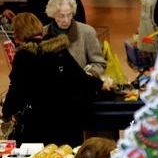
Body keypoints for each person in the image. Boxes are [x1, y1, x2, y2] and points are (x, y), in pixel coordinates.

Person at [1, 13, 101, 146]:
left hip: (38, 130)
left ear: (18, 36)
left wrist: (6, 111)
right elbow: (82, 80)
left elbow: (16, 92)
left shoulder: (24, 57)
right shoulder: (59, 50)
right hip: (68, 127)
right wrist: (103, 85)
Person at [45, 0, 106, 79]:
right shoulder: (44, 33)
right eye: (61, 16)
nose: (66, 20)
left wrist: (88, 75)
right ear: (52, 14)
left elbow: (99, 63)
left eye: (69, 15)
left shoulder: (86, 32)